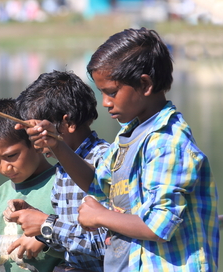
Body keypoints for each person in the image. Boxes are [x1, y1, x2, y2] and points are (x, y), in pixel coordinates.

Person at [14, 28, 220, 271]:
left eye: (112, 92)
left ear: (145, 84)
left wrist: (100, 216)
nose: (105, 103)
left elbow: (159, 226)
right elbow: (96, 183)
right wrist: (56, 144)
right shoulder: (128, 135)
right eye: (102, 93)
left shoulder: (167, 142)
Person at [5, 70, 109, 272]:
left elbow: (106, 245)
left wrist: (48, 225)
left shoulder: (104, 161)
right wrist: (37, 219)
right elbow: (69, 242)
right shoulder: (61, 170)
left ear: (68, 123)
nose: (35, 144)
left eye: (38, 132)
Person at [0, 98, 63, 272]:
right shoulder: (0, 195)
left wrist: (44, 239)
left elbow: (81, 243)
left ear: (35, 143)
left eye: (12, 155)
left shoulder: (63, 183)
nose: (5, 167)